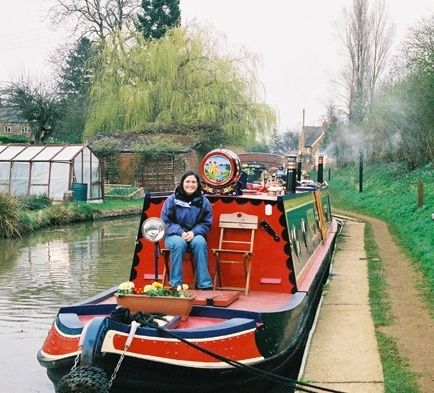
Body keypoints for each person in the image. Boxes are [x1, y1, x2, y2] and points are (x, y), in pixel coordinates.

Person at [160, 171, 213, 290]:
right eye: (187, 181)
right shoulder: (171, 200)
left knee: (200, 242)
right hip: (173, 235)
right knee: (179, 243)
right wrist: (181, 232)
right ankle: (175, 284)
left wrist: (194, 232)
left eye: (193, 182)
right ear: (182, 183)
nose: (190, 184)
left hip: (195, 234)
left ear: (198, 184)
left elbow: (206, 223)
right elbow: (165, 221)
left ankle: (205, 284)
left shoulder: (204, 201)